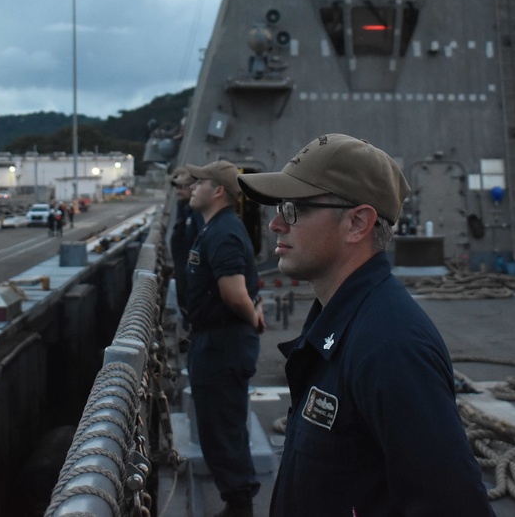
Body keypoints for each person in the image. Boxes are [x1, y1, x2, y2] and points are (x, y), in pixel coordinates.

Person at [237, 134, 494, 517]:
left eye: (292, 209)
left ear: (357, 222)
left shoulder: (391, 347)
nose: (276, 224)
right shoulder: (340, 319)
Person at [182, 159, 265, 517]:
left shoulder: (224, 232)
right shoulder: (217, 228)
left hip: (222, 344)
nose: (191, 186)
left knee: (223, 429)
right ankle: (237, 499)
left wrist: (254, 319)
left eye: (198, 182)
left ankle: (239, 504)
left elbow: (234, 293)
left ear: (217, 191)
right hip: (215, 342)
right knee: (221, 427)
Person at [168, 167, 202, 301]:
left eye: (183, 187)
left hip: (191, 277)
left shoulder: (196, 212)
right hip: (183, 272)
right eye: (177, 187)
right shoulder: (183, 209)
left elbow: (198, 246)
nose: (178, 191)